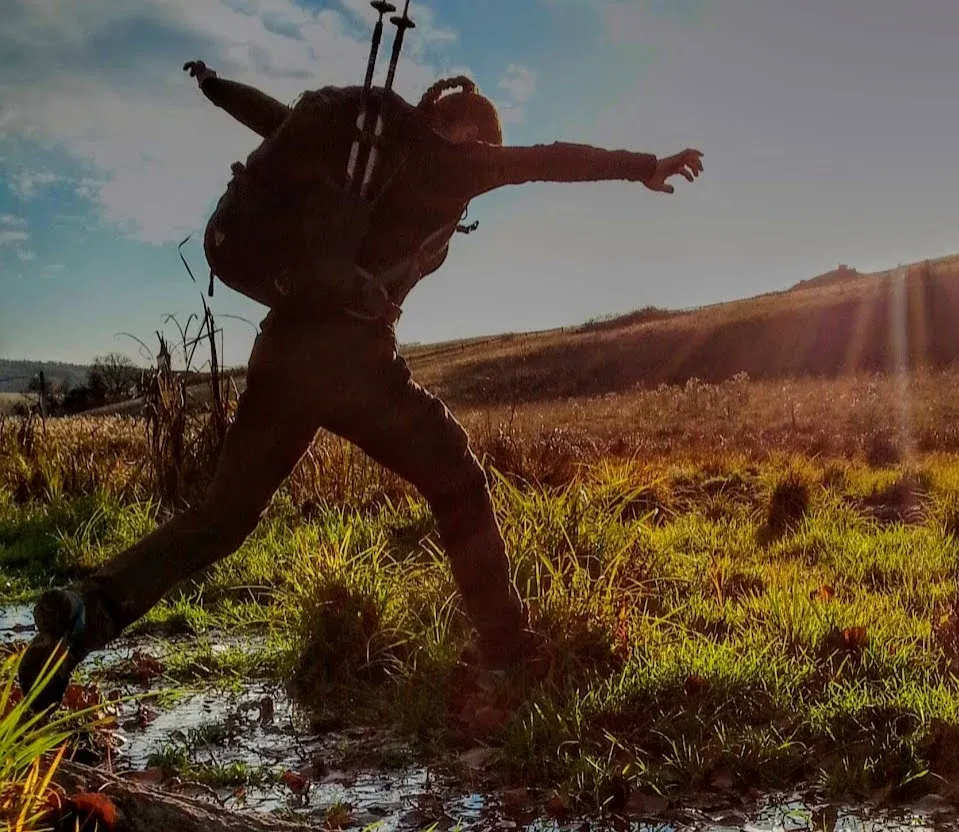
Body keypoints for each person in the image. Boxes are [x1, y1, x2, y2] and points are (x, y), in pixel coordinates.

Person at [17, 59, 705, 713]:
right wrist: (642, 166)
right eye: (485, 138)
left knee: (223, 516)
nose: (488, 151)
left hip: (284, 347)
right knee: (458, 480)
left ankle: (83, 616)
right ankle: (509, 652)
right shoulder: (450, 162)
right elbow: (548, 160)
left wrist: (219, 89)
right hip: (352, 359)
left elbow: (276, 121)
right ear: (471, 130)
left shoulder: (364, 158)